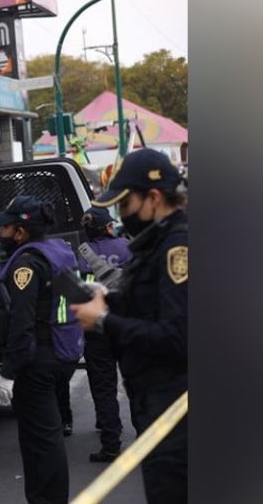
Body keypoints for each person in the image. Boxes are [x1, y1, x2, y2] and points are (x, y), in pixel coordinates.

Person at [70, 149, 187, 503]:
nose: (122, 215)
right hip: (157, 404)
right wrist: (108, 299)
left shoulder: (177, 249)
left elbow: (178, 337)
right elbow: (150, 306)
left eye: (125, 204)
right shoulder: (155, 244)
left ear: (154, 197)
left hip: (175, 409)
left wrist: (104, 321)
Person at [0, 195, 83, 504]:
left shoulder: (26, 264)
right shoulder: (59, 252)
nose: (1, 233)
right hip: (62, 353)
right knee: (49, 435)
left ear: (20, 232)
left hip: (36, 361)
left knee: (40, 442)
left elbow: (22, 323)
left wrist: (8, 373)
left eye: (6, 227)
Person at [78, 207, 132, 462]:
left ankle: (111, 444)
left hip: (97, 328)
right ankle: (147, 438)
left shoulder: (81, 254)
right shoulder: (128, 247)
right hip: (127, 325)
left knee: (103, 386)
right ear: (109, 227)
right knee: (136, 382)